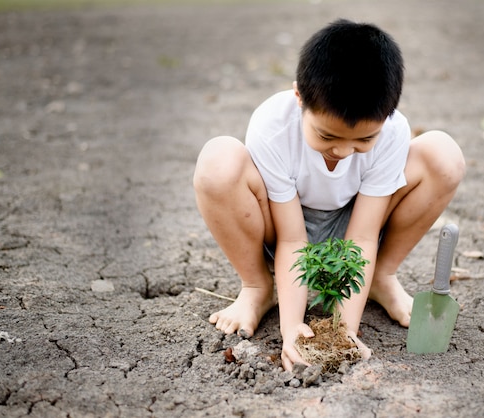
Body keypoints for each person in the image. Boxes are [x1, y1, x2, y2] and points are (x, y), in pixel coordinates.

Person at [193, 19, 465, 371]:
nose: (344, 151)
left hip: (355, 224)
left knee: (442, 154)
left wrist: (342, 332)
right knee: (218, 161)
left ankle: (382, 277)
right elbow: (292, 239)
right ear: (299, 98)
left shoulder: (393, 131)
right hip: (281, 226)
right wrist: (291, 329)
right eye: (327, 137)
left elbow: (364, 236)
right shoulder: (273, 124)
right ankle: (257, 286)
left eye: (364, 140)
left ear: (388, 115)